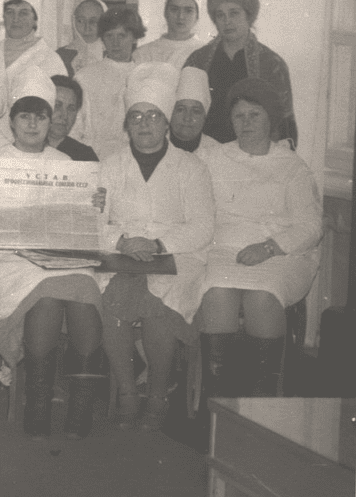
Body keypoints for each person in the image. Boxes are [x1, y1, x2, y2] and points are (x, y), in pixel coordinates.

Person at [0, 67, 105, 439]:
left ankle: (80, 408)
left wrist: (93, 206)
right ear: (12, 122)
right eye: (25, 116)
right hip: (9, 258)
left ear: (50, 122)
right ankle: (38, 405)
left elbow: (80, 224)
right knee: (46, 299)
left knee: (84, 291)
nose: (33, 124)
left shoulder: (65, 163)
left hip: (58, 255)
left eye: (41, 117)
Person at [97, 63, 214, 432]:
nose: (144, 124)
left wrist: (159, 244)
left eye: (153, 116)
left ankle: (158, 395)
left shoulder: (191, 168)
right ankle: (128, 391)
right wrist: (121, 241)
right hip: (122, 254)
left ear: (166, 124)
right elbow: (92, 219)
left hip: (175, 256)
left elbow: (202, 227)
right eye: (136, 117)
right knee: (109, 296)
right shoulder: (109, 166)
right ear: (126, 125)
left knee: (158, 300)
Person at [197, 78, 322, 398]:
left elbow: (310, 227)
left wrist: (268, 248)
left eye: (255, 114)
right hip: (223, 248)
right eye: (239, 116)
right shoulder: (213, 158)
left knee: (261, 298)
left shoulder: (292, 166)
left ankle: (261, 402)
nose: (246, 122)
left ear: (271, 118)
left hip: (281, 253)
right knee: (217, 292)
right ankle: (217, 403)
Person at [185, 0, 296, 145]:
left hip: (255, 154)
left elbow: (284, 127)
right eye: (220, 15)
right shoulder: (198, 60)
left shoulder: (271, 64)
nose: (227, 21)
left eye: (234, 13)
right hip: (206, 151)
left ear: (249, 15)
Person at [71, 6, 146, 160]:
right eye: (109, 36)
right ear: (103, 39)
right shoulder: (85, 76)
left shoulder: (144, 76)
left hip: (134, 159)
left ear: (134, 38)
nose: (115, 43)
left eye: (122, 35)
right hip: (94, 157)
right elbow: (75, 126)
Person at [0, 0, 67, 93]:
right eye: (10, 12)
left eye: (23, 13)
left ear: (35, 19)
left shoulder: (50, 60)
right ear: (3, 16)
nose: (15, 19)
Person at [133, 0, 207, 69]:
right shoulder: (143, 54)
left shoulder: (206, 54)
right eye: (174, 9)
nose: (180, 16)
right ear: (165, 12)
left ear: (197, 16)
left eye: (188, 10)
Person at [169, 67, 220, 154]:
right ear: (170, 112)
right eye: (181, 109)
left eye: (196, 111)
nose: (187, 118)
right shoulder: (152, 145)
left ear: (204, 116)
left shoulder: (219, 154)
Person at [48, 75, 98, 162]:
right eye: (57, 106)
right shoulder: (27, 148)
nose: (64, 115)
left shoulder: (85, 156)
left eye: (71, 109)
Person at [56, 0, 107, 76]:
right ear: (73, 21)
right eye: (81, 21)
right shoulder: (61, 55)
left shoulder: (113, 53)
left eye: (93, 21)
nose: (87, 28)